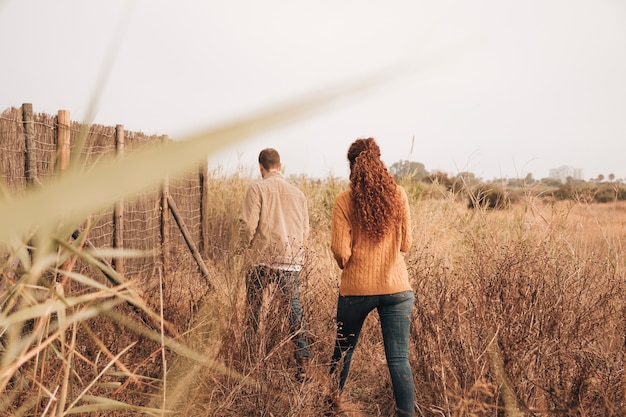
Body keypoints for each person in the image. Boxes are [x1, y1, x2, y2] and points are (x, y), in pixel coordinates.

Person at [329, 138, 415, 416]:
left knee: (342, 354)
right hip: (397, 288)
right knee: (399, 359)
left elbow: (341, 251)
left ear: (352, 167)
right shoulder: (398, 194)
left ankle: (330, 409)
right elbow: (406, 245)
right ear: (379, 161)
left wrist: (350, 263)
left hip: (357, 289)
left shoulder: (344, 201)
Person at [239, 148, 310, 379]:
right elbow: (305, 230)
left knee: (254, 309)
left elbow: (248, 226)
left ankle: (250, 359)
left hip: (262, 260)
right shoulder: (298, 194)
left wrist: (245, 249)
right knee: (294, 311)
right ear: (280, 166)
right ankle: (303, 364)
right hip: (291, 261)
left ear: (261, 167)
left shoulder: (257, 189)